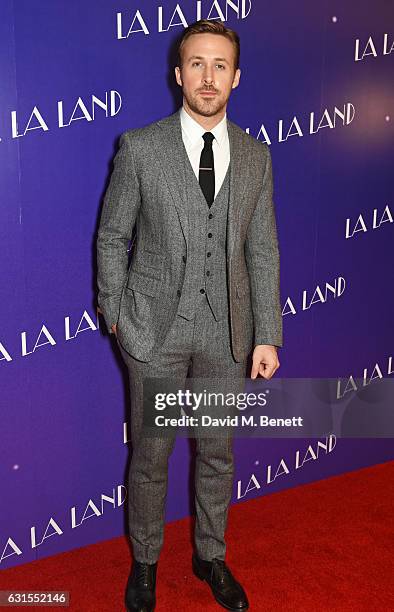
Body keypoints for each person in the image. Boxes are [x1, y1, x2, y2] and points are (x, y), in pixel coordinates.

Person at [97, 19, 283, 612]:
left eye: (220, 66)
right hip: (155, 331)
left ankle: (210, 555)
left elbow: (263, 249)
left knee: (218, 452)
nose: (209, 77)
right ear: (179, 75)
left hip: (227, 334)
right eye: (197, 64)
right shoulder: (141, 147)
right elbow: (111, 235)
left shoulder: (256, 156)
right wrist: (117, 312)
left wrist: (267, 334)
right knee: (151, 454)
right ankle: (146, 562)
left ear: (236, 77)